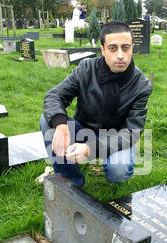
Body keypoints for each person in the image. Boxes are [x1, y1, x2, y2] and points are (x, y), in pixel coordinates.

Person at [40, 22, 152, 187]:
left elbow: (132, 132)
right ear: (103, 50)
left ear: (132, 48)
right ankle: (71, 181)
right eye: (113, 48)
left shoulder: (141, 85)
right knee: (48, 121)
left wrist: (90, 148)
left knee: (118, 171)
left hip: (116, 136)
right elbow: (55, 95)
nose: (120, 55)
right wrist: (61, 124)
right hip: (84, 129)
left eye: (126, 48)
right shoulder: (86, 69)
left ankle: (109, 164)